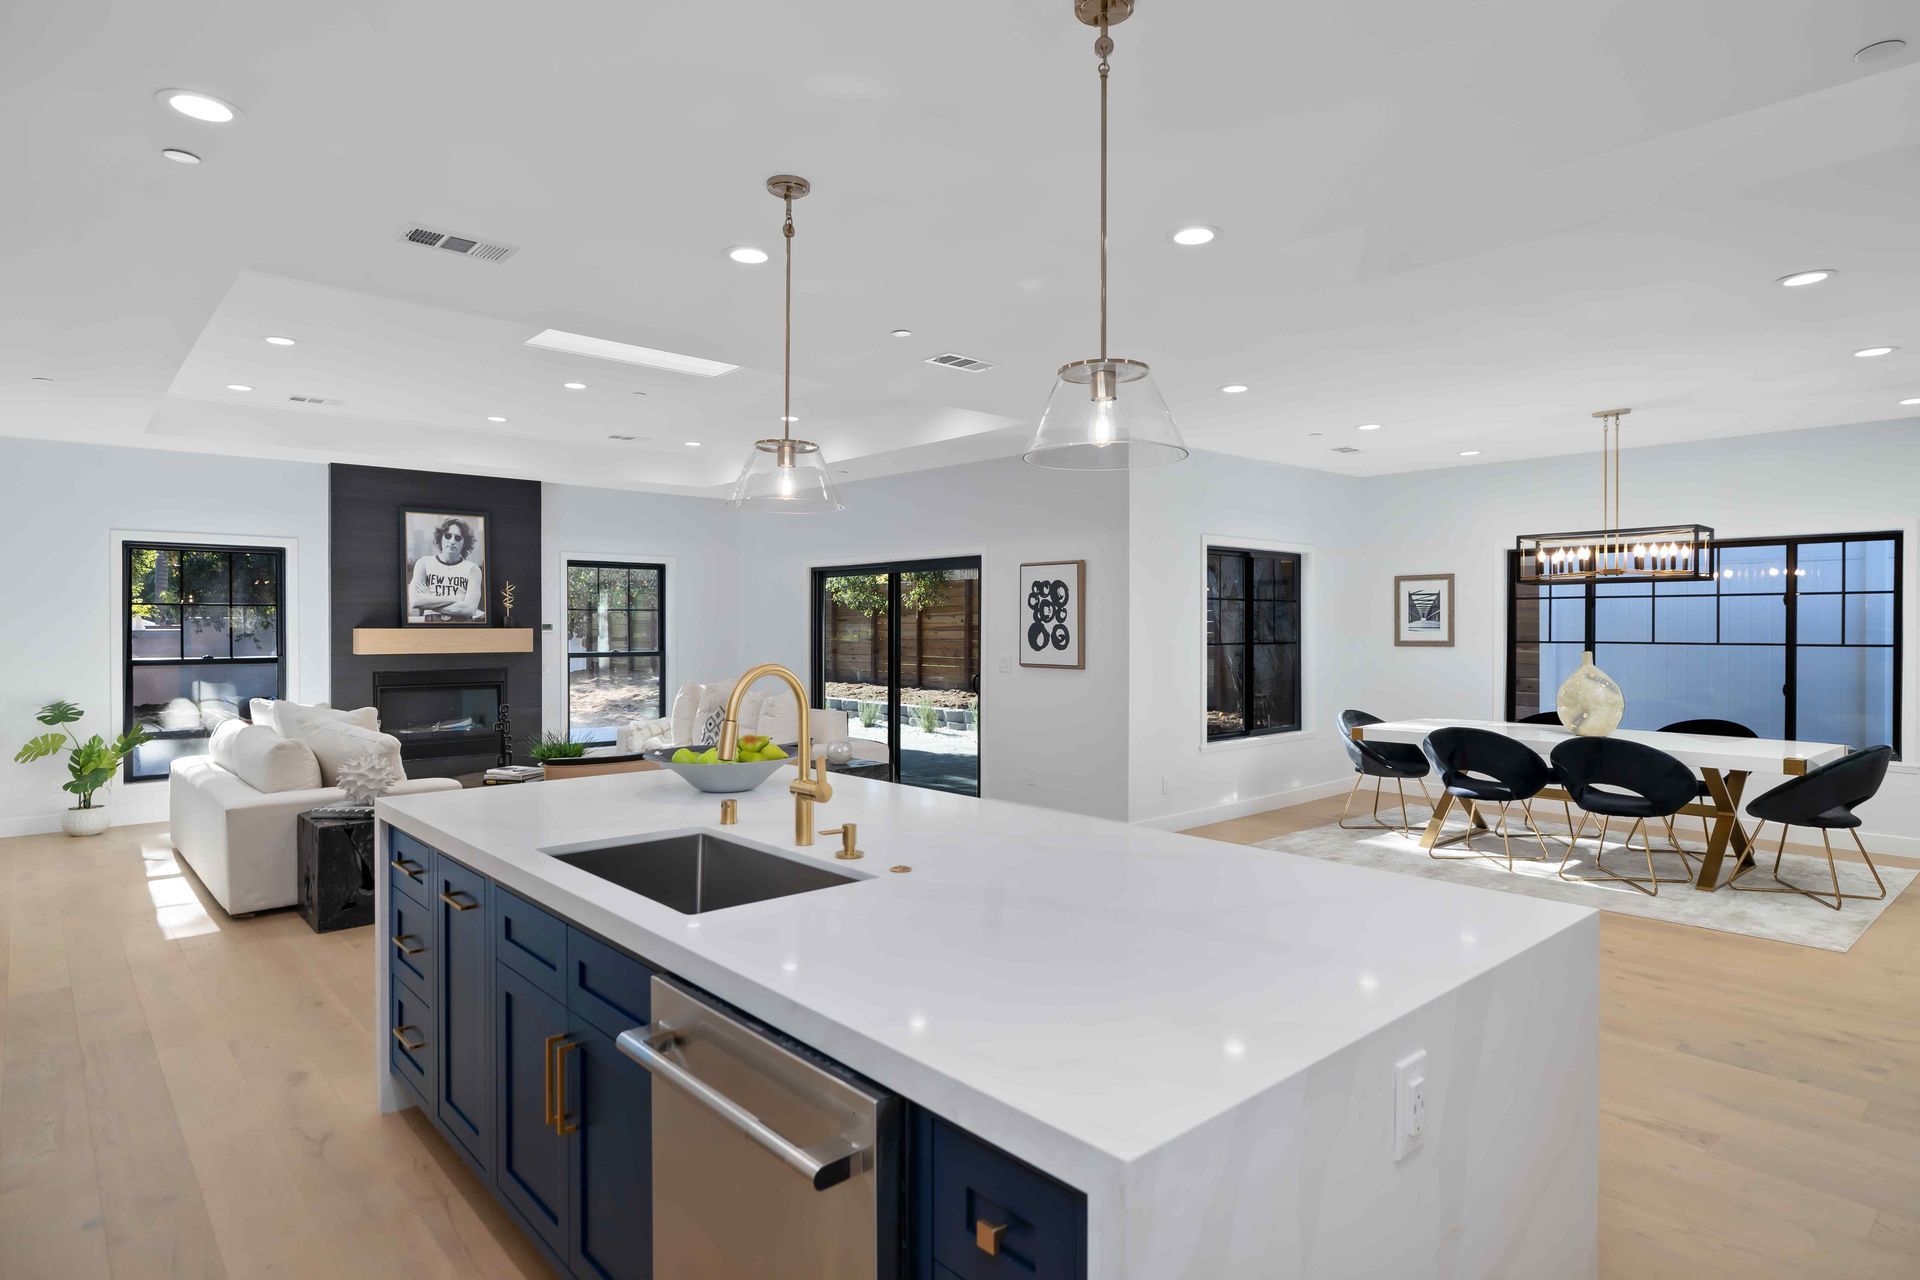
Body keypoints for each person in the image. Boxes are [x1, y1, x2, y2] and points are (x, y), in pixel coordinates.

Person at [408, 517, 485, 622]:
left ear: (464, 542)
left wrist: (429, 600)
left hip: (463, 627)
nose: (452, 541)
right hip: (430, 626)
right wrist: (455, 599)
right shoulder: (423, 563)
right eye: (448, 536)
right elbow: (416, 601)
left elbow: (469, 609)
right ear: (441, 538)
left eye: (458, 538)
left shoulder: (473, 569)